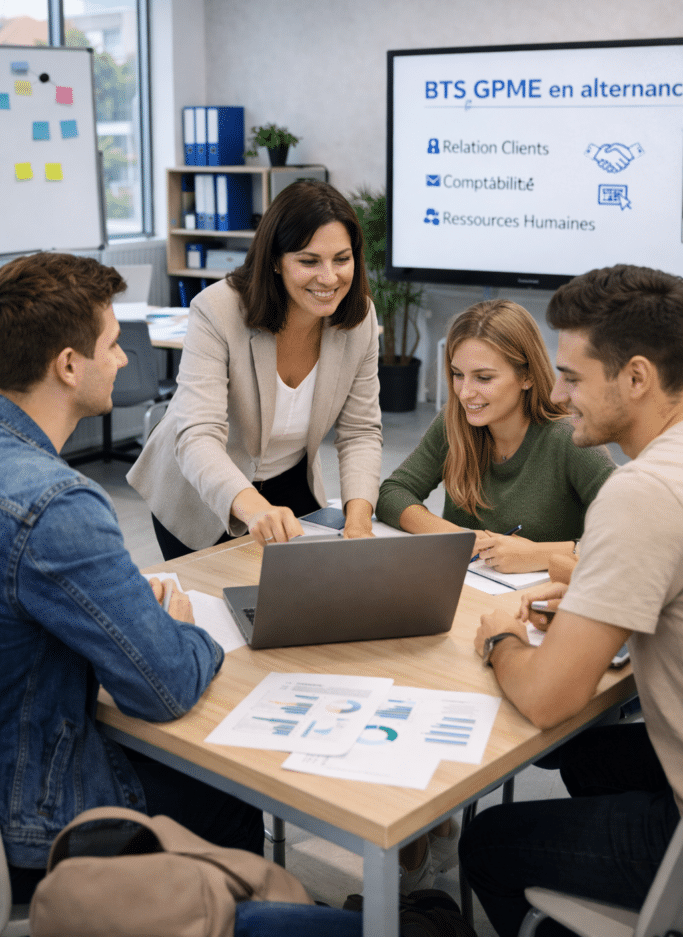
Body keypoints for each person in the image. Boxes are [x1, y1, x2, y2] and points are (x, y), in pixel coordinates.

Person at [0, 252, 263, 905]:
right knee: (226, 796)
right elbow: (164, 686)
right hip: (35, 813)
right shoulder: (57, 504)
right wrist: (175, 629)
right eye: (113, 344)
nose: (122, 359)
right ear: (67, 364)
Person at [459, 264, 683, 937]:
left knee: (489, 843)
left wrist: (500, 638)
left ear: (636, 377)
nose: (557, 394)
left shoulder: (640, 490)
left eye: (573, 377)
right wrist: (592, 589)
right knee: (579, 754)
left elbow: (550, 697)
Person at [128, 179, 382, 560]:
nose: (329, 278)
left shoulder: (358, 318)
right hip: (200, 492)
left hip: (288, 483)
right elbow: (198, 435)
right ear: (276, 261)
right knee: (220, 608)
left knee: (296, 604)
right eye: (309, 261)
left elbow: (360, 431)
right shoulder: (217, 311)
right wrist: (252, 507)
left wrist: (359, 520)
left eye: (342, 259)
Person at [376, 299, 614, 572]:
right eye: (457, 374)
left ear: (527, 377)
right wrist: (456, 537)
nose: (465, 393)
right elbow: (393, 493)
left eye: (484, 378)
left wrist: (541, 554)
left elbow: (632, 537)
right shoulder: (453, 421)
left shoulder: (569, 439)